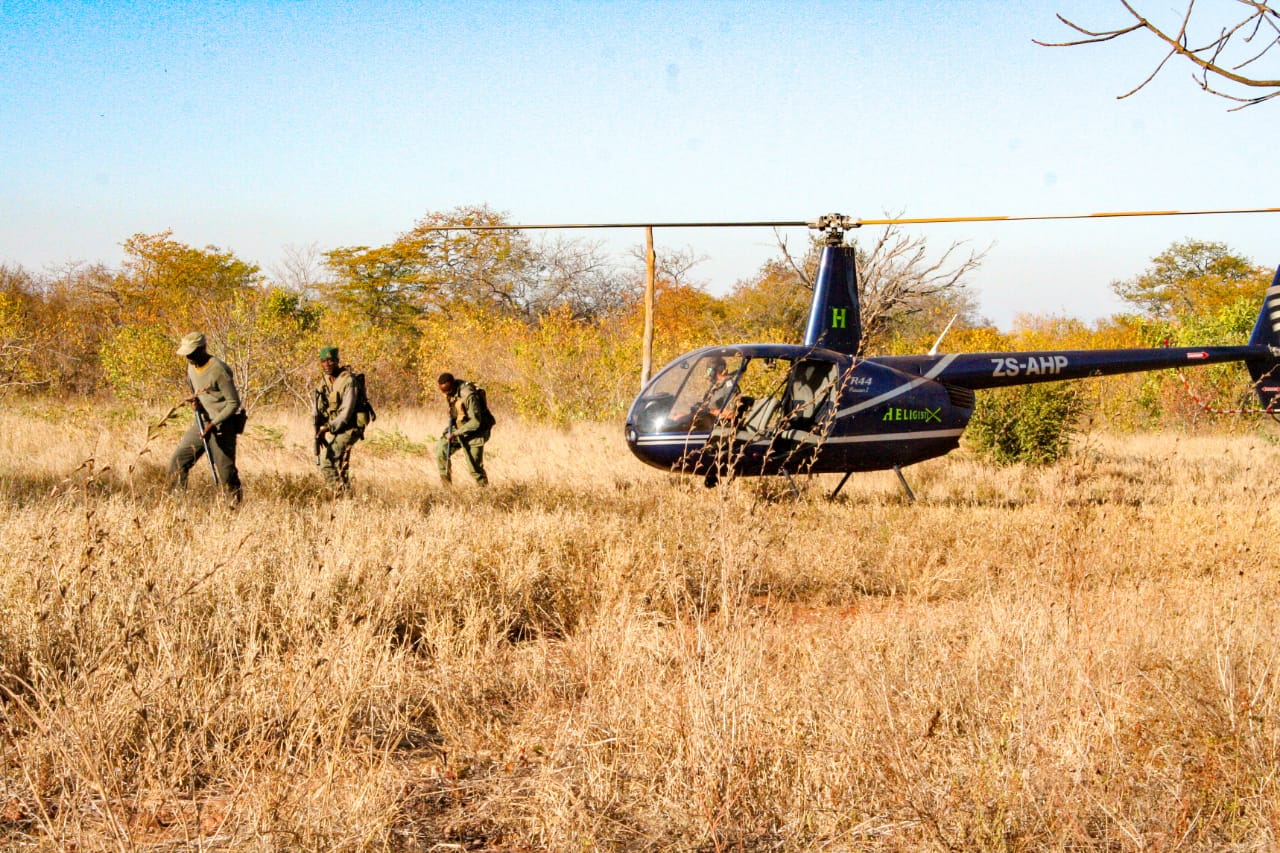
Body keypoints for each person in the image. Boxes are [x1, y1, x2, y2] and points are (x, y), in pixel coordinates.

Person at [167, 332, 244, 503]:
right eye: (187, 353)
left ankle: (233, 509)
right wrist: (197, 403)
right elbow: (199, 393)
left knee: (226, 474)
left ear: (202, 348)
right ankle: (176, 506)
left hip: (222, 426)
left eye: (192, 352)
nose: (189, 357)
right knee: (177, 463)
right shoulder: (190, 366)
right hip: (201, 423)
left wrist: (214, 423)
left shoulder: (218, 369)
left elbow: (233, 403)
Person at [312, 345, 364, 493]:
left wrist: (328, 427)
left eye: (330, 361)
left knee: (327, 461)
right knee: (341, 465)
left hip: (351, 426)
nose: (327, 364)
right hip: (337, 427)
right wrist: (318, 427)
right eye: (323, 361)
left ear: (337, 361)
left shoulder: (348, 381)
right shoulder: (324, 382)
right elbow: (318, 408)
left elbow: (346, 413)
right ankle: (347, 499)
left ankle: (337, 494)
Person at [436, 372, 494, 486]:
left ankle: (485, 492)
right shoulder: (451, 392)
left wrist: (455, 433)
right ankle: (446, 489)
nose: (445, 393)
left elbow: (475, 422)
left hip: (477, 432)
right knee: (441, 451)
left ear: (452, 385)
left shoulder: (468, 395)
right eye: (443, 391)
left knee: (474, 468)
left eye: (447, 390)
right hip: (459, 428)